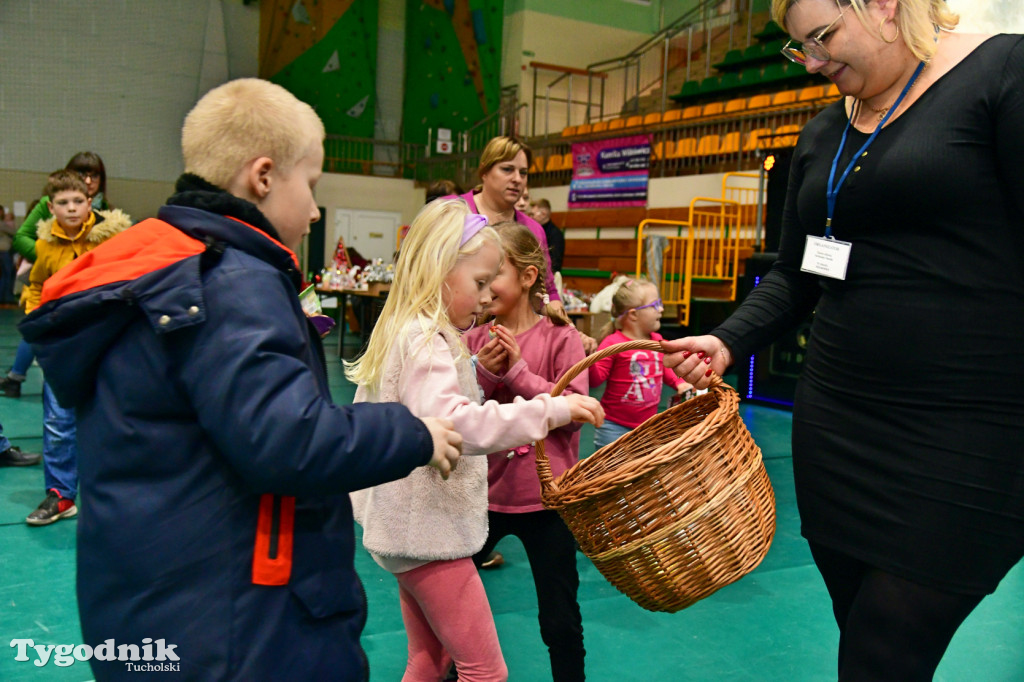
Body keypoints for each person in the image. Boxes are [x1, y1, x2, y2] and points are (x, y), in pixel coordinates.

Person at [19, 78, 463, 680]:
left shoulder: (170, 266)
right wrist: (414, 432)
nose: (312, 210)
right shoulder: (231, 282)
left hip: (160, 601)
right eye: (309, 185)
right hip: (236, 624)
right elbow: (288, 440)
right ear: (262, 176)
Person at [663, 2, 1024, 679]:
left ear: (885, 6)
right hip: (838, 428)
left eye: (824, 38)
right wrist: (725, 341)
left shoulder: (1002, 73)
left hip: (971, 430)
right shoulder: (825, 130)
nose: (816, 62)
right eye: (800, 49)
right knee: (863, 632)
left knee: (885, 643)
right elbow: (795, 276)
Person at [347, 198, 604, 682]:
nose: (486, 297)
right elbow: (459, 425)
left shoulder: (413, 332)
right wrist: (553, 407)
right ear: (441, 271)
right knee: (485, 670)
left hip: (407, 532)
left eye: (491, 283)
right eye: (479, 283)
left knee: (430, 659)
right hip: (428, 534)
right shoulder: (427, 340)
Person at [464, 221, 588, 681]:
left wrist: (516, 372)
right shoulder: (475, 338)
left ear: (529, 277)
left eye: (494, 271)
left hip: (547, 501)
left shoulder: (562, 338)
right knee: (452, 609)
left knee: (559, 619)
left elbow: (575, 409)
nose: (484, 282)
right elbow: (458, 408)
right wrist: (482, 373)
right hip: (482, 497)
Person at [22, 170, 131, 526]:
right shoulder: (44, 246)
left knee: (111, 417)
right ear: (50, 208)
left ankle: (117, 494)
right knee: (57, 420)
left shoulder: (110, 240)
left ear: (90, 203)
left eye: (78, 202)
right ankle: (61, 495)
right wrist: (37, 321)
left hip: (102, 342)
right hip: (62, 344)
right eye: (63, 203)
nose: (71, 209)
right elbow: (36, 286)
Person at [459, 136, 598, 353]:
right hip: (454, 337)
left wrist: (568, 331)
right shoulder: (452, 214)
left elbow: (546, 291)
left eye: (523, 173)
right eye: (507, 169)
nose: (517, 179)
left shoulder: (533, 230)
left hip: (508, 344)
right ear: (484, 171)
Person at [2, 152, 111, 398]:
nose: (89, 180)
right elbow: (21, 238)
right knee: (40, 328)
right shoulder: (49, 204)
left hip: (86, 287)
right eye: (83, 174)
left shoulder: (105, 209)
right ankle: (16, 377)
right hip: (51, 283)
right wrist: (52, 259)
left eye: (95, 175)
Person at [590, 278, 687, 450]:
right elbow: (596, 380)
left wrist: (680, 383)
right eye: (655, 305)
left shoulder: (658, 342)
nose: (661, 309)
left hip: (647, 428)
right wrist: (589, 360)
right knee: (611, 475)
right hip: (613, 428)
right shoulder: (613, 343)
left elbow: (667, 369)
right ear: (633, 314)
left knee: (642, 472)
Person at [534, 198, 565, 275]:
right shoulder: (535, 230)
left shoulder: (555, 234)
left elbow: (555, 263)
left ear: (543, 214)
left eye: (533, 214)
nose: (531, 217)